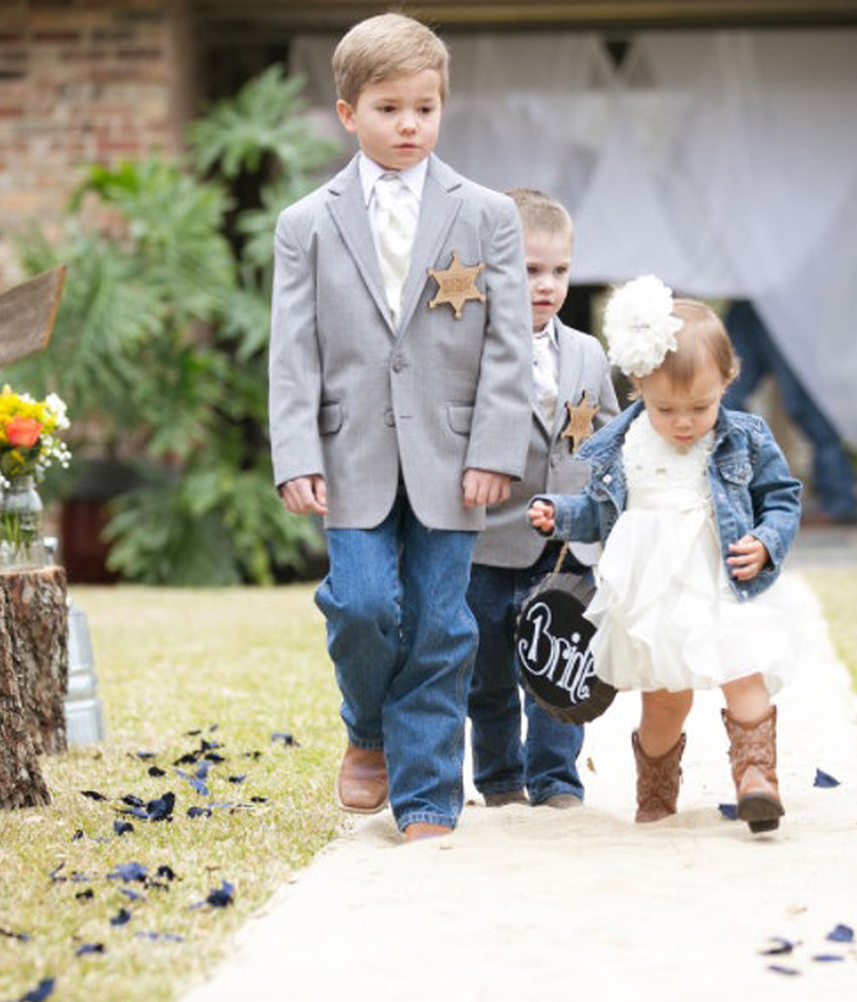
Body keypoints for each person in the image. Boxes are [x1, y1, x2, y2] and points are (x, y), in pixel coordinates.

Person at [268, 13, 533, 842]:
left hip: (455, 456)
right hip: (348, 453)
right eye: (389, 109)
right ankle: (367, 729)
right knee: (361, 605)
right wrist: (295, 454)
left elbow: (509, 344)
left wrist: (496, 449)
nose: (410, 124)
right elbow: (292, 350)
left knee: (441, 622)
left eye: (425, 107)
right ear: (348, 113)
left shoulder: (487, 215)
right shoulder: (305, 223)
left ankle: (426, 797)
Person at [528, 277, 802, 834]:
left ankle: (756, 778)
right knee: (664, 703)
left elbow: (781, 497)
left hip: (722, 583)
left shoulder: (743, 437)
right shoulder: (625, 445)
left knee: (743, 672)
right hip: (655, 597)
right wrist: (561, 515)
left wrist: (767, 541)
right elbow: (597, 512)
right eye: (665, 408)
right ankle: (655, 793)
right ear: (638, 386)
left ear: (727, 380)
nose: (682, 422)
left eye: (700, 406)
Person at [466, 188, 619, 810]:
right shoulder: (471, 350)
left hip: (565, 548)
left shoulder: (587, 352)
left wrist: (606, 510)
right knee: (489, 678)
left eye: (559, 271)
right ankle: (500, 780)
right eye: (530, 270)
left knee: (561, 668)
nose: (547, 285)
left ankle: (556, 781)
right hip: (486, 543)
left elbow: (609, 438)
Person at [723, 299, 857, 524]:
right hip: (752, 302)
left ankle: (839, 498)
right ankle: (736, 494)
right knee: (723, 400)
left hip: (784, 305)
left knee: (803, 406)